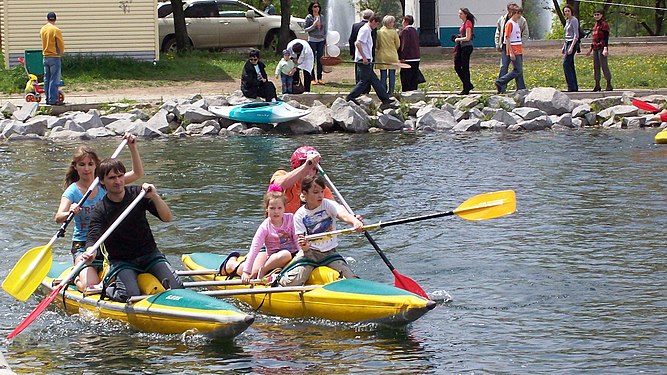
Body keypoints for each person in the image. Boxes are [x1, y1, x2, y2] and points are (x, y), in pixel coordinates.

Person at [84, 159, 184, 302]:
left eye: (120, 176)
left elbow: (167, 218)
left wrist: (155, 196)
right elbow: (93, 237)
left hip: (150, 255)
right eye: (112, 178)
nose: (118, 181)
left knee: (177, 287)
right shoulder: (100, 210)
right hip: (122, 261)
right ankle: (110, 287)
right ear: (102, 182)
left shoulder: (138, 195)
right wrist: (90, 252)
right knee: (130, 296)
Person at [55, 134, 144, 292]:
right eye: (82, 165)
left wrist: (132, 147)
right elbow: (58, 218)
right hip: (83, 246)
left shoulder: (106, 183)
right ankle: (75, 278)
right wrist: (70, 211)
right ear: (75, 166)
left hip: (108, 244)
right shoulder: (73, 191)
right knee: (91, 287)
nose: (87, 169)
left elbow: (137, 174)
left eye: (90, 164)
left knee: (114, 283)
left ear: (96, 165)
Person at [278, 175, 364, 287]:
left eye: (322, 191)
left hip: (329, 253)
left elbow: (343, 215)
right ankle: (277, 279)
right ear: (304, 193)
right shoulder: (299, 215)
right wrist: (304, 245)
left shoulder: (328, 204)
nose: (320, 195)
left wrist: (355, 222)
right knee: (292, 283)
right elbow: (303, 245)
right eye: (315, 192)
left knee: (351, 279)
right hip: (309, 253)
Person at [219, 186, 300, 282]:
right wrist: (246, 272)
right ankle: (231, 265)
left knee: (291, 254)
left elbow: (297, 238)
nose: (276, 211)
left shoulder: (291, 218)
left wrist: (301, 255)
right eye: (272, 208)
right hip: (275, 258)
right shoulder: (265, 226)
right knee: (255, 273)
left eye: (279, 208)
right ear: (267, 209)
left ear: (284, 208)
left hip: (293, 255)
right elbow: (254, 248)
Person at [270, 145, 334, 214]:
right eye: (308, 168)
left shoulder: (321, 189)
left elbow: (335, 208)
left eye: (314, 168)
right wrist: (306, 165)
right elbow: (278, 186)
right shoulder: (281, 174)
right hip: (282, 223)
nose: (310, 172)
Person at [345, 16, 392, 109]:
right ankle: (350, 96)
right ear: (373, 21)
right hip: (364, 59)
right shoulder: (365, 30)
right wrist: (364, 57)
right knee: (364, 81)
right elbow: (357, 43)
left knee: (374, 80)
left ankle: (385, 98)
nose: (377, 26)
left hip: (366, 58)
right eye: (377, 24)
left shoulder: (367, 30)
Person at [494, 3, 529, 91]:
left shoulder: (520, 20)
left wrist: (521, 43)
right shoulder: (504, 20)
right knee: (504, 66)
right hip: (507, 46)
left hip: (516, 46)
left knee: (518, 69)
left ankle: (520, 88)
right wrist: (498, 43)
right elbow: (500, 33)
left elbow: (525, 33)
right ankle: (501, 86)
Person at [40, 11, 65, 106]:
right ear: (55, 19)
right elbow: (60, 44)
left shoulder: (43, 29)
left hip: (45, 56)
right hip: (54, 56)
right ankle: (53, 100)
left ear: (47, 19)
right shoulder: (56, 30)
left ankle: (47, 98)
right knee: (54, 79)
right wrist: (61, 52)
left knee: (47, 78)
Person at [586, 9, 612, 92]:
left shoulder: (604, 25)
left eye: (598, 14)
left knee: (604, 65)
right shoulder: (595, 26)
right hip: (595, 48)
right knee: (596, 66)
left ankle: (609, 83)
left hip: (601, 47)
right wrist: (590, 50)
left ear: (601, 15)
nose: (596, 16)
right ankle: (597, 84)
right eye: (595, 15)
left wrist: (605, 48)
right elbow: (594, 39)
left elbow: (605, 38)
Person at [349, 9, 376, 88]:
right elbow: (373, 40)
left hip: (357, 53)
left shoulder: (355, 26)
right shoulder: (370, 27)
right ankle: (364, 89)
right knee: (368, 74)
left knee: (358, 72)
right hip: (366, 53)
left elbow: (351, 39)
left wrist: (352, 52)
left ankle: (358, 86)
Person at [376, 15, 401, 96]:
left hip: (382, 55)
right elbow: (398, 44)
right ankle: (391, 92)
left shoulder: (379, 32)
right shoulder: (393, 32)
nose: (393, 23)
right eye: (392, 22)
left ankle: (383, 91)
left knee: (383, 75)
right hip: (392, 55)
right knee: (392, 75)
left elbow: (376, 45)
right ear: (389, 23)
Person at [453, 8, 476, 95]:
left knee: (465, 67)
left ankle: (466, 88)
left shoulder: (468, 23)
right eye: (459, 13)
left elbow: (468, 37)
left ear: (465, 14)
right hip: (462, 47)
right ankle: (468, 84)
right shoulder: (463, 23)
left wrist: (458, 39)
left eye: (461, 14)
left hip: (467, 47)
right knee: (457, 66)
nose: (459, 15)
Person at [304, 2, 326, 85]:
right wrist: (313, 25)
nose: (317, 8)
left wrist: (325, 37)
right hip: (312, 40)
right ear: (312, 8)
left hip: (321, 40)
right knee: (311, 59)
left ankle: (319, 78)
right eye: (315, 6)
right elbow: (305, 29)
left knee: (320, 59)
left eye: (318, 7)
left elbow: (324, 28)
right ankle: (312, 78)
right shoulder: (309, 17)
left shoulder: (322, 17)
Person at [399, 15, 422, 92]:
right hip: (416, 57)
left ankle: (406, 92)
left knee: (406, 77)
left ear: (406, 21)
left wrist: (402, 56)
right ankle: (414, 92)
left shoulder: (405, 31)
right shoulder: (414, 30)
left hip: (408, 58)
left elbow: (405, 45)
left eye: (403, 21)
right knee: (414, 77)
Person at [562, 5, 579, 92]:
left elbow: (576, 35)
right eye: (565, 11)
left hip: (573, 43)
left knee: (565, 64)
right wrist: (564, 46)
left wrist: (571, 47)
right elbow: (566, 35)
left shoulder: (574, 20)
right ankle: (574, 87)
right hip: (567, 43)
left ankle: (571, 86)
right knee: (570, 64)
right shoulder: (567, 21)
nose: (567, 13)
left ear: (571, 11)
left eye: (568, 11)